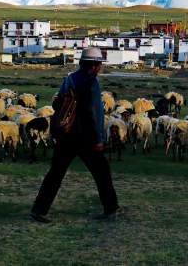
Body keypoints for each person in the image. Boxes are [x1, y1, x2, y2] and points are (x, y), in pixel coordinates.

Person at [30, 47, 120, 223]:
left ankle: (39, 210)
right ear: (92, 66)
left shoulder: (69, 78)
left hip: (66, 135)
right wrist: (99, 139)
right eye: (99, 64)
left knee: (55, 173)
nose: (100, 67)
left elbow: (58, 102)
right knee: (101, 172)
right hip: (86, 137)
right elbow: (96, 113)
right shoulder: (92, 84)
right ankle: (111, 208)